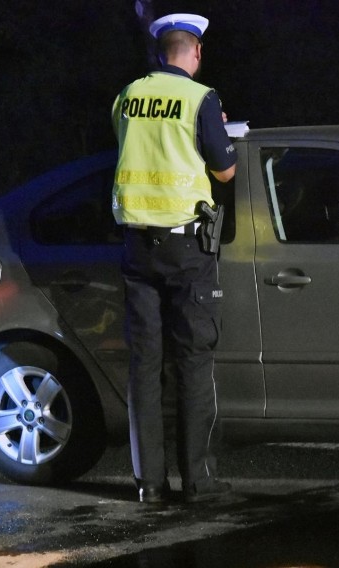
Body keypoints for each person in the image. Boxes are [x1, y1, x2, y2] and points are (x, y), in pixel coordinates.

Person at [111, 13, 237, 504]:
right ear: (196, 53)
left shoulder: (127, 96)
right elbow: (224, 171)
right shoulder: (200, 98)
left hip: (136, 246)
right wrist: (216, 134)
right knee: (193, 360)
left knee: (144, 366)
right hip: (186, 248)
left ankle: (149, 484)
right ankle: (200, 482)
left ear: (161, 51)